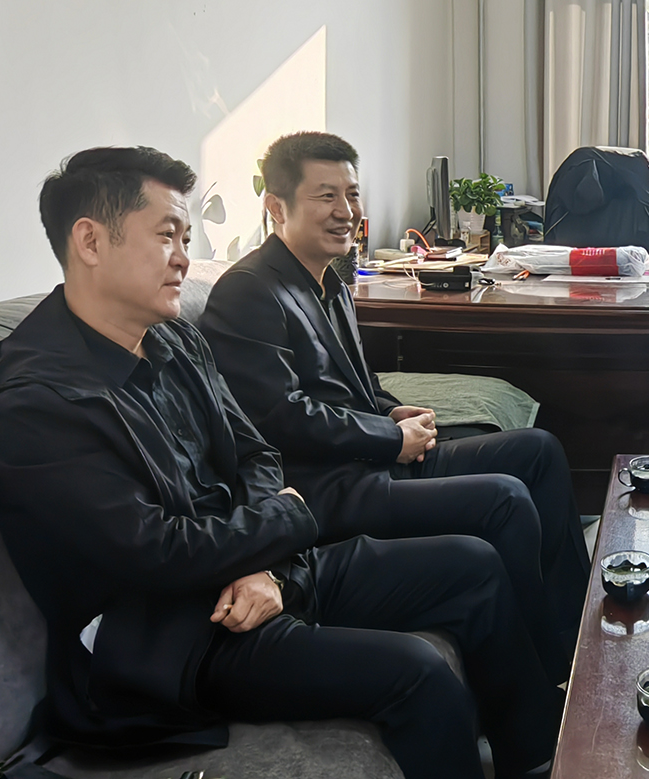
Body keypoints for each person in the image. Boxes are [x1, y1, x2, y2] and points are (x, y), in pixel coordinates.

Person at [0, 147, 560, 779]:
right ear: (90, 241)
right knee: (417, 672)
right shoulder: (35, 403)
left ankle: (540, 756)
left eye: (185, 238)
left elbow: (256, 452)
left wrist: (266, 562)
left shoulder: (173, 339)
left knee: (472, 567)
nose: (183, 257)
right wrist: (281, 527)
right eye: (166, 236)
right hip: (181, 635)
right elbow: (154, 551)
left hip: (258, 566)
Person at [197, 131, 588, 683]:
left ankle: (575, 639)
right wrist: (388, 438)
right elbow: (278, 417)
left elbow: (356, 384)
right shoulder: (248, 291)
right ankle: (544, 669)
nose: (346, 211)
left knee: (539, 452)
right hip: (328, 488)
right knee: (505, 500)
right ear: (277, 207)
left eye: (352, 194)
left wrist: (392, 411)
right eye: (326, 196)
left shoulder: (330, 280)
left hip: (372, 458)